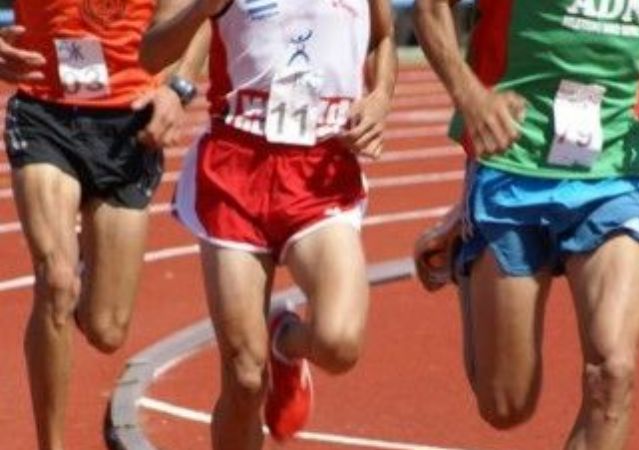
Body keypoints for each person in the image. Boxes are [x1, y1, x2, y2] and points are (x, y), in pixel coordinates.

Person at [413, 0, 639, 448]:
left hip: (613, 172)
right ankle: (467, 249)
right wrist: (470, 95)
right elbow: (429, 9)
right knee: (505, 405)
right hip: (512, 164)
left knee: (613, 371)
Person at [139, 0, 397, 447]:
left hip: (322, 171)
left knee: (339, 345)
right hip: (235, 170)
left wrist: (381, 98)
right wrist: (201, 10)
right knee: (243, 378)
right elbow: (150, 53)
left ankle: (286, 342)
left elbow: (384, 37)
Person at [0, 2, 208, 448]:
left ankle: (79, 272)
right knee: (55, 281)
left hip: (128, 125)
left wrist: (179, 88)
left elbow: (201, 13)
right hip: (44, 113)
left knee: (107, 330)